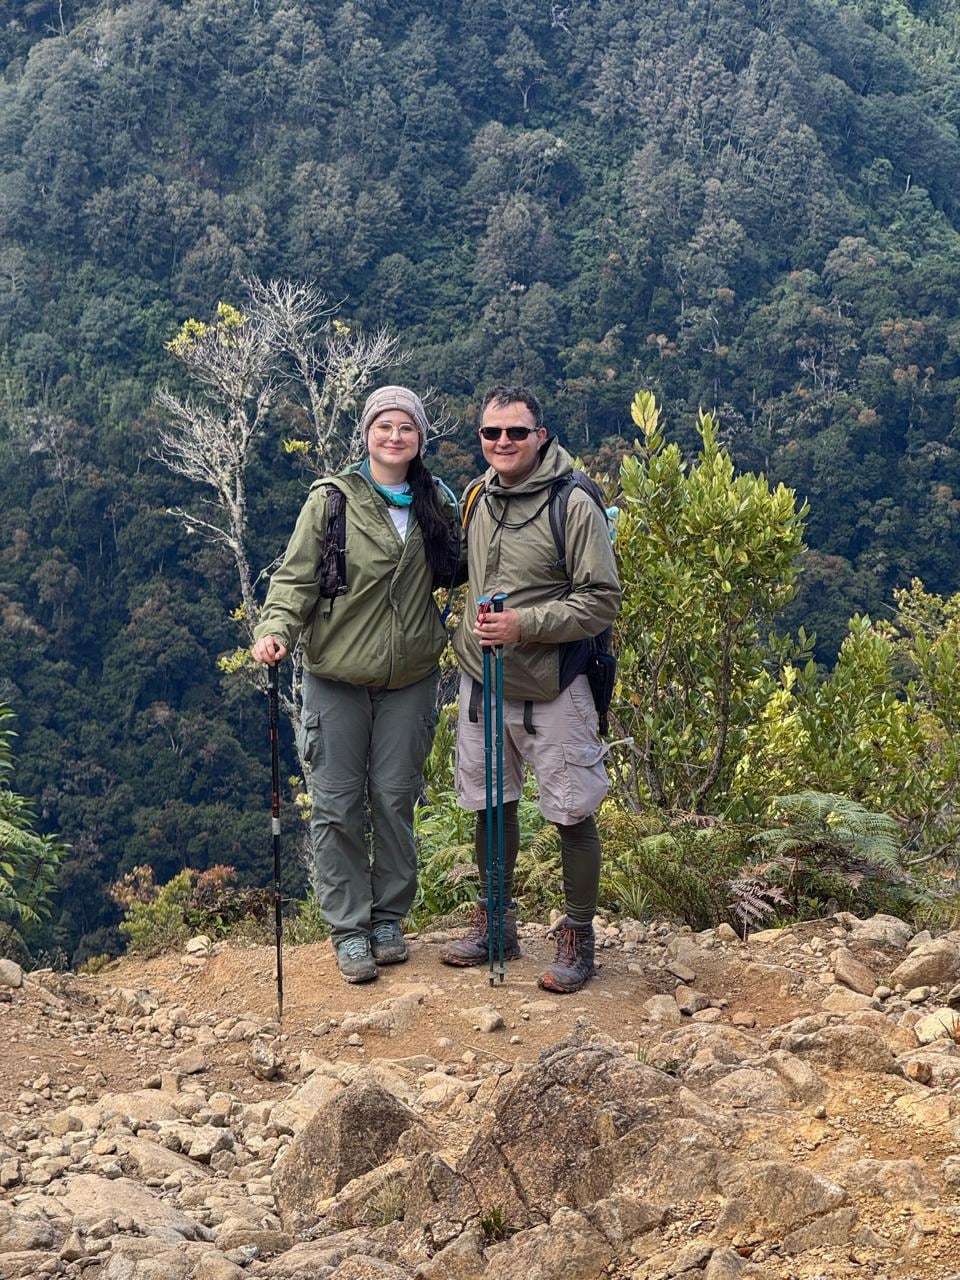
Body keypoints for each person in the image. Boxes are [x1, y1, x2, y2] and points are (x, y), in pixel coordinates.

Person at [252, 386, 457, 984]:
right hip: (336, 677)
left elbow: (471, 561)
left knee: (395, 801)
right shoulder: (333, 500)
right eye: (384, 427)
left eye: (407, 429)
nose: (395, 437)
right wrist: (275, 630)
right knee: (339, 807)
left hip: (410, 680)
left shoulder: (435, 501)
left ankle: (389, 918)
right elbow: (295, 579)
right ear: (366, 434)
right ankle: (349, 929)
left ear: (420, 438)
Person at [439, 385, 621, 993]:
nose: (503, 443)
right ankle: (497, 925)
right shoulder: (477, 499)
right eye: (492, 433)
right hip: (482, 677)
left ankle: (577, 936)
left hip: (556, 680)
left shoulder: (574, 503)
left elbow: (601, 601)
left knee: (571, 810)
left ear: (541, 436)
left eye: (516, 432)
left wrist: (524, 625)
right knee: (490, 803)